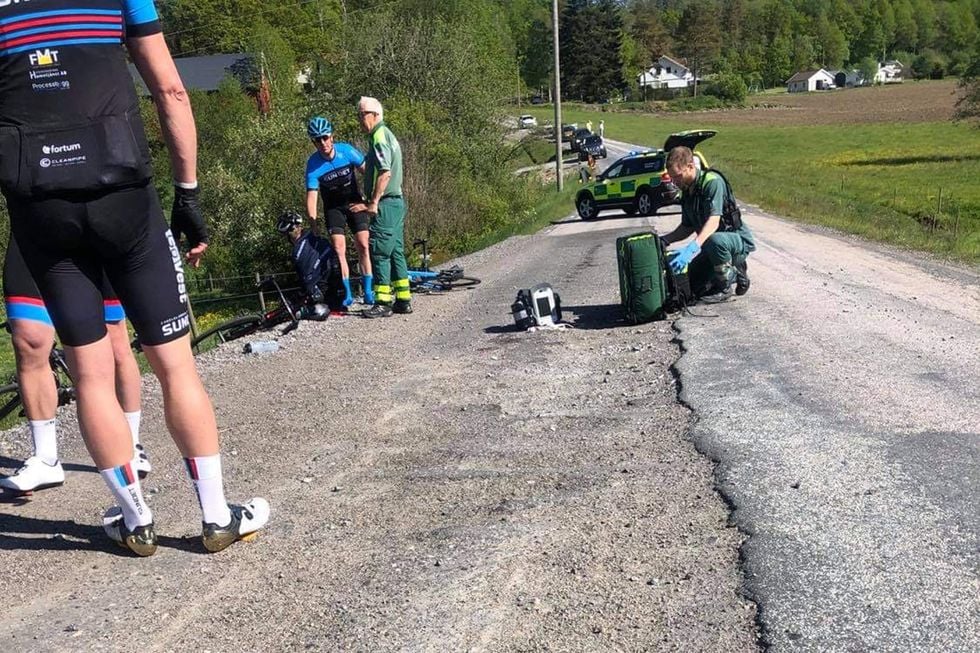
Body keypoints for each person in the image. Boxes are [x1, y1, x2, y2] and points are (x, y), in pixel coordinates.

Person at [0, 0, 268, 555]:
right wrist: (188, 194)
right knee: (174, 363)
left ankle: (133, 518)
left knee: (90, 373)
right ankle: (216, 515)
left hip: (40, 207)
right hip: (123, 194)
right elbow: (171, 91)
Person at [0, 239, 149, 495]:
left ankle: (130, 444)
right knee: (29, 339)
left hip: (92, 225)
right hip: (30, 224)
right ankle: (45, 459)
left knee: (114, 342)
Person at [661, 146, 754, 300]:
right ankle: (737, 272)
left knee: (714, 240)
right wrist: (665, 240)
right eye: (672, 178)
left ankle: (725, 286)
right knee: (694, 283)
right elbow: (687, 226)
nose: (674, 182)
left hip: (734, 242)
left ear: (690, 167)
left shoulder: (712, 182)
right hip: (712, 249)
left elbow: (713, 221)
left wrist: (693, 247)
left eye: (677, 176)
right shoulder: (687, 192)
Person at [304, 116, 374, 307]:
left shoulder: (347, 151)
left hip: (354, 202)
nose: (323, 143)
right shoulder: (313, 164)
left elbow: (368, 173)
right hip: (333, 208)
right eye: (317, 140)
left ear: (332, 136)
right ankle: (347, 294)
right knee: (339, 249)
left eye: (325, 137)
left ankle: (368, 290)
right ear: (313, 142)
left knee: (363, 245)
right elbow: (312, 196)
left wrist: (371, 201)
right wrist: (313, 221)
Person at [357, 97, 411, 318]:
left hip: (387, 203)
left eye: (362, 115)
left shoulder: (379, 136)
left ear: (375, 115)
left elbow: (385, 172)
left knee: (379, 252)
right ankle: (403, 299)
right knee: (397, 251)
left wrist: (373, 201)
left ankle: (383, 302)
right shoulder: (386, 134)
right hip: (396, 202)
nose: (360, 120)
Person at [276, 210, 342, 318]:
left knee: (302, 311)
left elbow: (308, 279)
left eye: (290, 230)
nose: (289, 234)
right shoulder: (312, 238)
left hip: (325, 290)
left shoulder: (299, 251)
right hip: (332, 286)